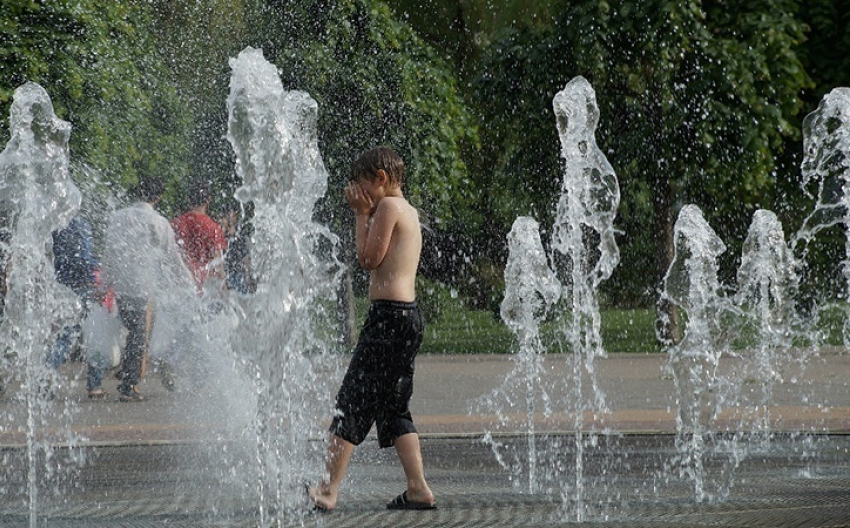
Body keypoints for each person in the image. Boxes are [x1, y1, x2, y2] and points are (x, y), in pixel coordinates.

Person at [308, 147, 436, 512]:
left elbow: (368, 259)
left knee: (351, 402)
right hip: (406, 318)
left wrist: (362, 215)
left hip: (389, 319)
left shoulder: (388, 208)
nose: (358, 193)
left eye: (362, 185)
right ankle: (418, 488)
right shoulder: (408, 210)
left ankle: (328, 490)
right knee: (394, 408)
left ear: (381, 179)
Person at [102, 175, 192, 402]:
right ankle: (129, 385)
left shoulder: (118, 217)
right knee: (138, 334)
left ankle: (125, 373)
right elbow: (173, 259)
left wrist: (105, 282)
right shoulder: (159, 223)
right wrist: (189, 284)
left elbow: (110, 252)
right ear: (159, 196)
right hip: (143, 285)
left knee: (131, 329)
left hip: (122, 283)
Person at [46, 216, 107, 398]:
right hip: (83, 286)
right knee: (96, 336)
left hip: (61, 286)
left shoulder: (52, 224)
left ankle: (45, 376)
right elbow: (84, 257)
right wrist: (96, 274)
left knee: (64, 336)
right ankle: (94, 386)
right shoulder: (80, 224)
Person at [171, 180, 227, 292]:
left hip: (180, 284)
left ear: (188, 198)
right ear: (208, 200)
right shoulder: (213, 228)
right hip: (205, 289)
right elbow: (217, 263)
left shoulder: (175, 224)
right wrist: (225, 292)